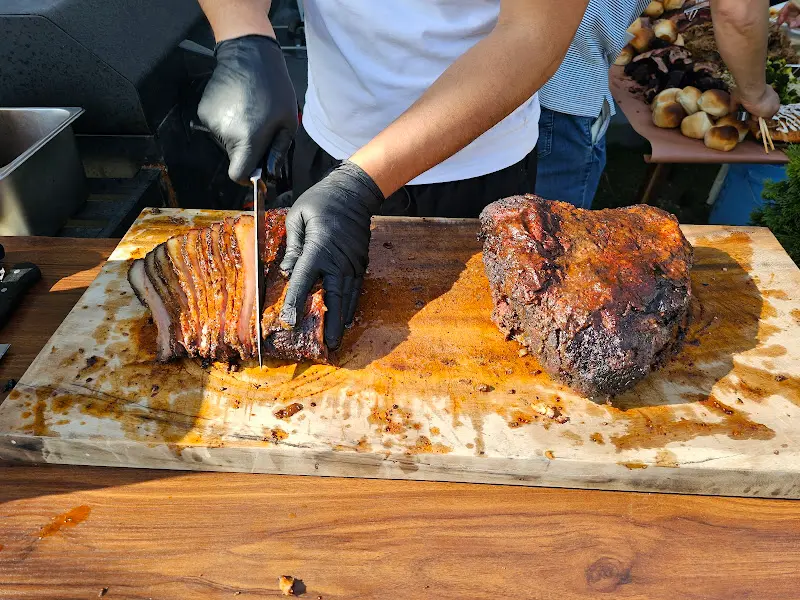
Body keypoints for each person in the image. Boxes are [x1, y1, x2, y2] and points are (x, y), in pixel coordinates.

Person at [196, 0, 589, 350]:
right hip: (329, 143)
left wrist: (360, 182)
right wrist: (242, 33)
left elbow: (535, 34)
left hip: (478, 163)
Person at [536, 0, 780, 209]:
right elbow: (739, 12)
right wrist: (756, 94)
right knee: (550, 238)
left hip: (512, 67)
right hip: (561, 84)